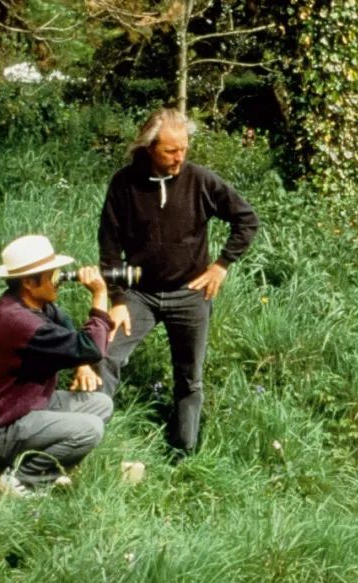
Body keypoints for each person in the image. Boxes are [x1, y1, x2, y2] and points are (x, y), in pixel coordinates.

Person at [93, 107, 259, 454]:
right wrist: (118, 300)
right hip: (139, 295)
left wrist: (221, 265)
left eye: (184, 148)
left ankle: (185, 455)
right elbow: (109, 247)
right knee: (104, 356)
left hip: (190, 293)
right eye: (171, 150)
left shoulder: (200, 180)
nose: (179, 157)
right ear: (149, 147)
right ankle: (89, 438)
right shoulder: (124, 184)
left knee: (189, 378)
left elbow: (246, 219)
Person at [0, 235, 114, 496]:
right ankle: (20, 479)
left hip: (25, 406)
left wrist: (82, 364)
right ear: (28, 282)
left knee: (101, 404)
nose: (59, 278)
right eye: (51, 274)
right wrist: (100, 295)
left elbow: (73, 337)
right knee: (91, 429)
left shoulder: (30, 304)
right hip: (0, 430)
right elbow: (92, 347)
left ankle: (48, 465)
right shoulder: (21, 323)